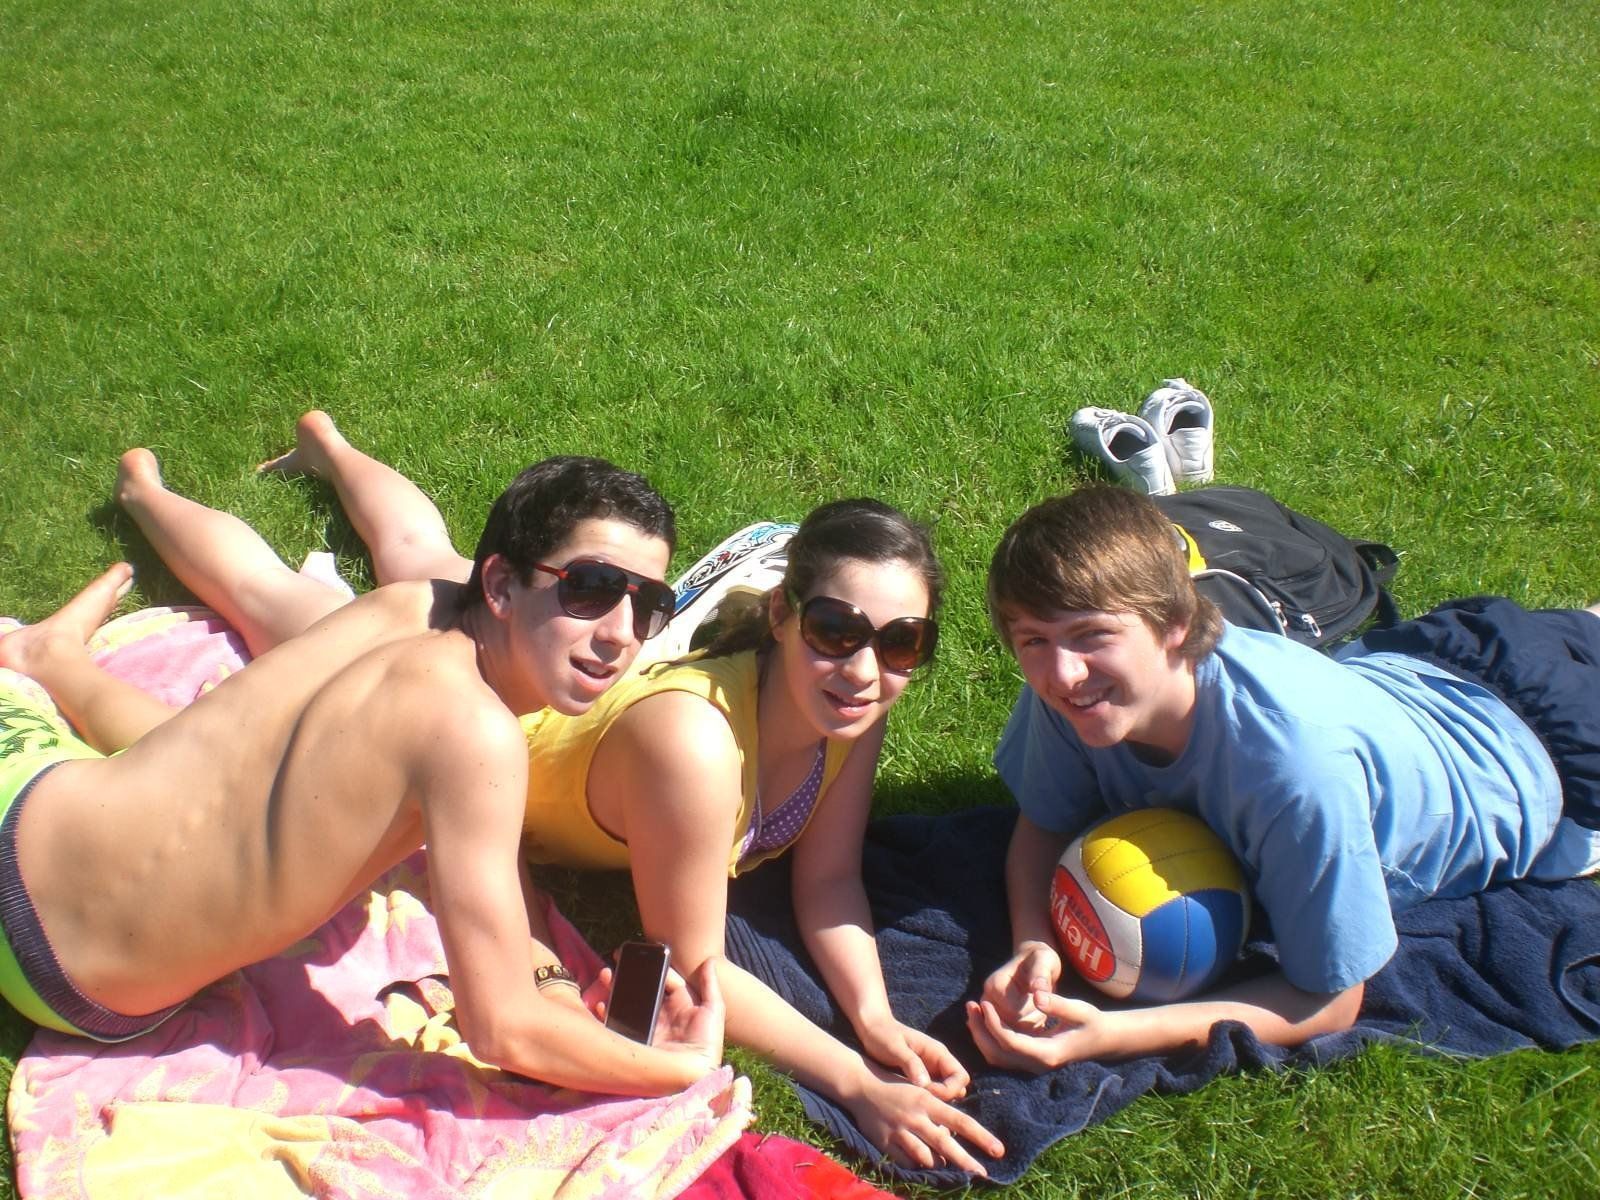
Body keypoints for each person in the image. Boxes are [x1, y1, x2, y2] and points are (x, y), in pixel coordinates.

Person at [108, 411, 1006, 1175]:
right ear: (781, 615)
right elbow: (700, 965)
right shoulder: (697, 746)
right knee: (274, 597)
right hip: (499, 702)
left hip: (552, 670)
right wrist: (854, 1081)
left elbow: (828, 879)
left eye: (901, 644)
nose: (865, 668)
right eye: (836, 630)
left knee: (422, 554)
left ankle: (328, 444)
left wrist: (875, 1020)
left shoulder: (852, 709)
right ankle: (143, 490)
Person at [0, 453, 727, 1099]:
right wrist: (680, 1066)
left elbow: (194, 746)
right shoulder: (476, 732)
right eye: (591, 588)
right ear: (502, 586)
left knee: (195, 749)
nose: (620, 634)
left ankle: (53, 649)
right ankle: (50, 654)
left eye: (646, 605)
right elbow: (502, 1029)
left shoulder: (409, 605)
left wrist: (547, 978)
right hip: (69, 980)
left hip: (29, 819)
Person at [966, 483, 1600, 1071]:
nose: (1063, 672)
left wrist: (1111, 1034)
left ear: (1175, 623)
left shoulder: (1292, 773)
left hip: (1542, 760)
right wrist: (1033, 945)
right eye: (1033, 641)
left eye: (1092, 634)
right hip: (1425, 665)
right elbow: (1043, 824)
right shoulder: (1076, 697)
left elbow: (1329, 1000)